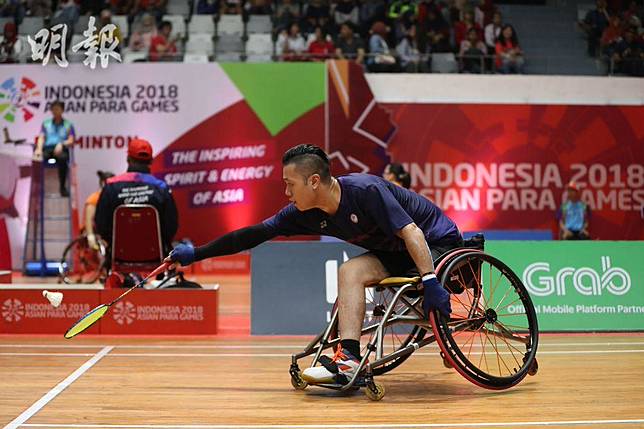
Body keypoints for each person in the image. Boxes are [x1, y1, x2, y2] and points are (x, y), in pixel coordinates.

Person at [167, 144, 462, 384]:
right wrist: (198, 254)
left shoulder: (365, 191)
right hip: (396, 253)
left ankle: (428, 308)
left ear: (314, 181)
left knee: (407, 266)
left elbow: (412, 232)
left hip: (435, 242)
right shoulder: (302, 212)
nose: (286, 193)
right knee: (350, 270)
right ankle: (348, 358)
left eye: (289, 184)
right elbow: (253, 235)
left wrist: (430, 281)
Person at [95, 138, 178, 254]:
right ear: (151, 161)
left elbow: (101, 224)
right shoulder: (162, 189)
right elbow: (171, 226)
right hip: (154, 255)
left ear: (128, 159)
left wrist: (114, 244)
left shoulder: (111, 187)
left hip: (119, 255)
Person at [34, 100, 76, 197]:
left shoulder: (68, 124)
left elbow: (71, 140)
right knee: (37, 159)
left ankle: (62, 187)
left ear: (62, 110)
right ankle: (37, 188)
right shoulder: (46, 123)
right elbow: (41, 137)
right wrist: (39, 149)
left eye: (57, 109)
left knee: (63, 159)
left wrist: (61, 144)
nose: (55, 111)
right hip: (48, 149)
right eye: (53, 109)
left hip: (61, 149)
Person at [85, 170, 114, 250]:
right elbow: (88, 220)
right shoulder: (94, 198)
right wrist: (90, 237)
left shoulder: (112, 198)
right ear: (103, 183)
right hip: (95, 237)